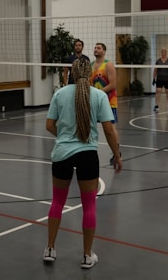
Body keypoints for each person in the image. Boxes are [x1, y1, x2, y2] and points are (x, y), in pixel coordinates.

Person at [43, 58, 122, 269]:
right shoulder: (99, 95)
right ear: (90, 74)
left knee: (57, 202)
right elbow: (108, 130)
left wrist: (65, 137)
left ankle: (50, 248)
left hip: (62, 154)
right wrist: (117, 155)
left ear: (71, 73)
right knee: (89, 205)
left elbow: (49, 125)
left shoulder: (60, 94)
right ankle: (87, 255)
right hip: (88, 155)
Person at [90, 42, 120, 164]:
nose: (96, 49)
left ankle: (116, 153)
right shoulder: (91, 65)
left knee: (111, 129)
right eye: (95, 47)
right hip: (95, 102)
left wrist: (99, 93)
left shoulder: (108, 65)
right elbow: (90, 83)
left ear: (104, 51)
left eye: (99, 48)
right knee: (90, 127)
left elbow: (113, 84)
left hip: (109, 101)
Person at [152, 48, 168, 113]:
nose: (163, 53)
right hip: (160, 78)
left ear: (166, 52)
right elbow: (155, 70)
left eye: (164, 51)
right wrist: (153, 78)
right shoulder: (158, 61)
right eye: (162, 52)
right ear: (161, 53)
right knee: (158, 91)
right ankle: (156, 105)